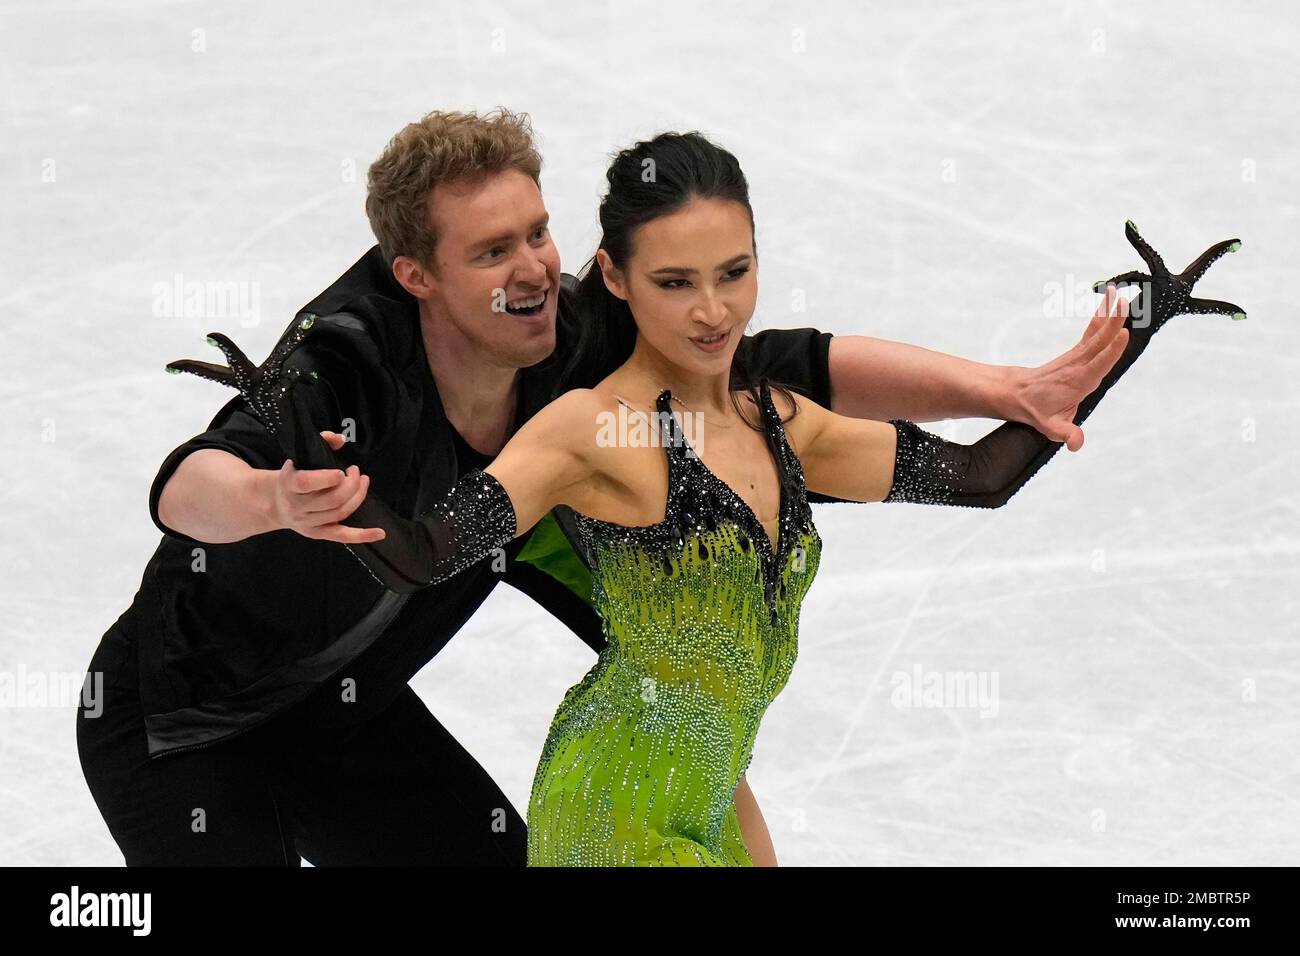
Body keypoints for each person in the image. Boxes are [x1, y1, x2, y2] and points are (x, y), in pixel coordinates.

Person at [76, 108, 1154, 866]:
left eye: (538, 231)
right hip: (184, 719)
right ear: (417, 277)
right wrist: (275, 500)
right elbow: (187, 484)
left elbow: (781, 365)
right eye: (493, 249)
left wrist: (1002, 384)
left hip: (348, 714)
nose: (536, 266)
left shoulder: (570, 341)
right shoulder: (344, 363)